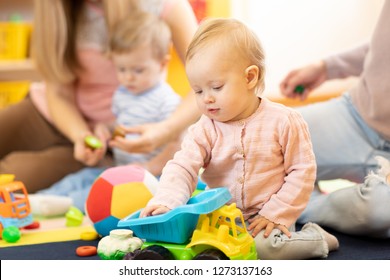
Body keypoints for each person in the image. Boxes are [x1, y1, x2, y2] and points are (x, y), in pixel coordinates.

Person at [140, 18, 339, 260]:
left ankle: (316, 237)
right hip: (220, 221)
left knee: (265, 251)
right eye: (198, 91)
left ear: (250, 78)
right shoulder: (205, 128)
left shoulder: (285, 121)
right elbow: (183, 166)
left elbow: (302, 171)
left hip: (267, 221)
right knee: (194, 245)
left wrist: (275, 213)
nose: (206, 99)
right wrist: (167, 201)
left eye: (216, 87)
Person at [0, 0, 199, 193]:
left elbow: (205, 83)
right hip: (51, 115)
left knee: (11, 176)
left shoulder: (163, 6)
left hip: (105, 145)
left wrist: (166, 129)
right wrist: (81, 135)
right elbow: (59, 93)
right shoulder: (61, 11)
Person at [31, 11, 182, 214]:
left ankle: (57, 205)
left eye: (138, 70)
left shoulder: (167, 100)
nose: (129, 78)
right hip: (121, 171)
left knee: (94, 194)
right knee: (81, 178)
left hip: (153, 178)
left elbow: (179, 144)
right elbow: (120, 125)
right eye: (121, 69)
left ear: (162, 64)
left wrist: (150, 166)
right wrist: (105, 129)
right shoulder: (123, 94)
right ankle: (39, 199)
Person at [279, 1, 390, 237]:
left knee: (381, 210)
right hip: (354, 116)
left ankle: (303, 206)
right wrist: (327, 67)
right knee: (263, 143)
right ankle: (300, 203)